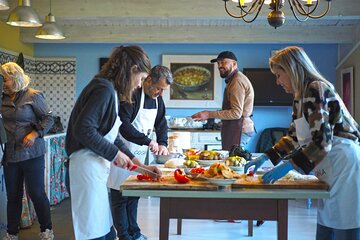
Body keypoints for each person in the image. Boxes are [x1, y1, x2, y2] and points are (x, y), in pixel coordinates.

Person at [244, 46, 360, 240]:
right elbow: (295, 136)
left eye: (279, 75)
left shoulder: (316, 88)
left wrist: (290, 165)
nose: (278, 82)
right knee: (327, 223)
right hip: (330, 163)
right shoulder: (300, 97)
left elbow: (322, 140)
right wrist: (267, 155)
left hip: (344, 162)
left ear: (292, 70)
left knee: (345, 227)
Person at [65, 45, 161, 240]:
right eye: (141, 79)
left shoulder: (109, 89)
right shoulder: (103, 89)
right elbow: (83, 129)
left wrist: (140, 166)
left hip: (94, 169)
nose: (139, 85)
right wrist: (116, 154)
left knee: (106, 232)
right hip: (85, 168)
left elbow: (112, 134)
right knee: (95, 234)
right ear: (133, 69)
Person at [107, 65, 173, 240]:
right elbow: (124, 126)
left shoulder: (158, 100)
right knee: (120, 196)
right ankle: (123, 234)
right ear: (149, 80)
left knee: (134, 194)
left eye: (163, 90)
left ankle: (134, 232)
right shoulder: (132, 96)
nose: (160, 93)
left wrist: (162, 142)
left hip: (141, 153)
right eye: (159, 88)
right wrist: (148, 141)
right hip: (122, 151)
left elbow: (161, 124)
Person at [1, 62, 54, 240]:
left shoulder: (33, 96)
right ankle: (12, 233)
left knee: (36, 192)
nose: (3, 83)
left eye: (5, 79)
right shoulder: (2, 98)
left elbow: (49, 119)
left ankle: (46, 230)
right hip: (11, 154)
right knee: (13, 196)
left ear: (15, 78)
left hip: (32, 153)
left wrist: (34, 133)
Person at [191, 51, 255, 150]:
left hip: (240, 128)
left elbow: (236, 113)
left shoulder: (237, 81)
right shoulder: (234, 79)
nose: (220, 65)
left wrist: (208, 114)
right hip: (236, 127)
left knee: (233, 161)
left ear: (234, 64)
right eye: (218, 63)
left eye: (223, 62)